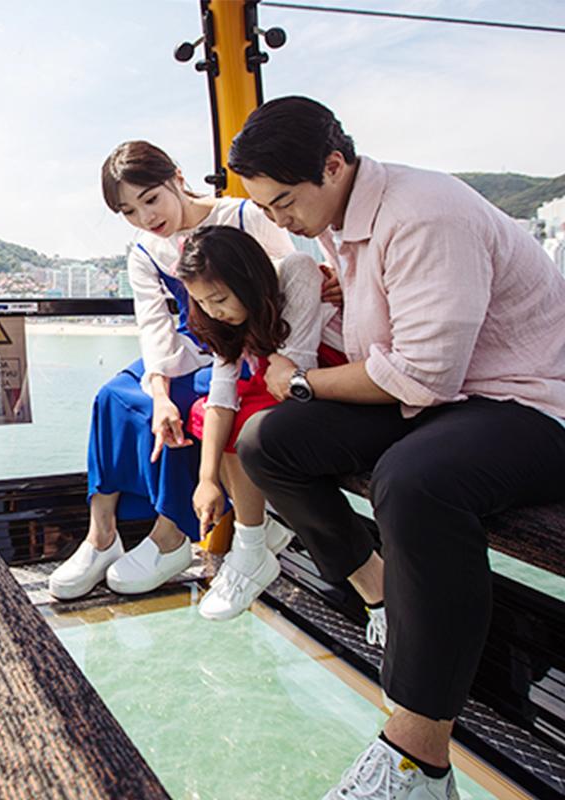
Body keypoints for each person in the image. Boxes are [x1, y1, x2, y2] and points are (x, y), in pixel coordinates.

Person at [226, 96, 565, 800]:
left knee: (414, 481)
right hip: (449, 399)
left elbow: (421, 374)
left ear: (333, 163)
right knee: (266, 442)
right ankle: (383, 597)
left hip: (528, 401)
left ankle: (418, 760)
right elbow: (403, 347)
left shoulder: (423, 212)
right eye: (268, 206)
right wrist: (342, 302)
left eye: (285, 201)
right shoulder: (338, 219)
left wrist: (302, 383)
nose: (280, 219)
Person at [49, 141, 297, 601]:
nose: (146, 217)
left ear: (177, 178)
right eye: (129, 210)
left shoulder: (244, 217)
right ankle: (101, 536)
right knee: (113, 397)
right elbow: (154, 326)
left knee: (187, 407)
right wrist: (159, 392)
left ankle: (172, 534)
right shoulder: (145, 251)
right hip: (187, 351)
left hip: (244, 349)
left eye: (151, 199)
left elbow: (290, 286)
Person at [173, 226, 325, 621]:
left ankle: (252, 544)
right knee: (205, 411)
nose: (213, 311)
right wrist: (206, 480)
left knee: (245, 416)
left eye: (220, 298)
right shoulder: (226, 319)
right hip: (275, 378)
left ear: (246, 279)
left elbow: (297, 364)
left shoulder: (296, 270)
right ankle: (254, 533)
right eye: (203, 302)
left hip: (317, 377)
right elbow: (222, 395)